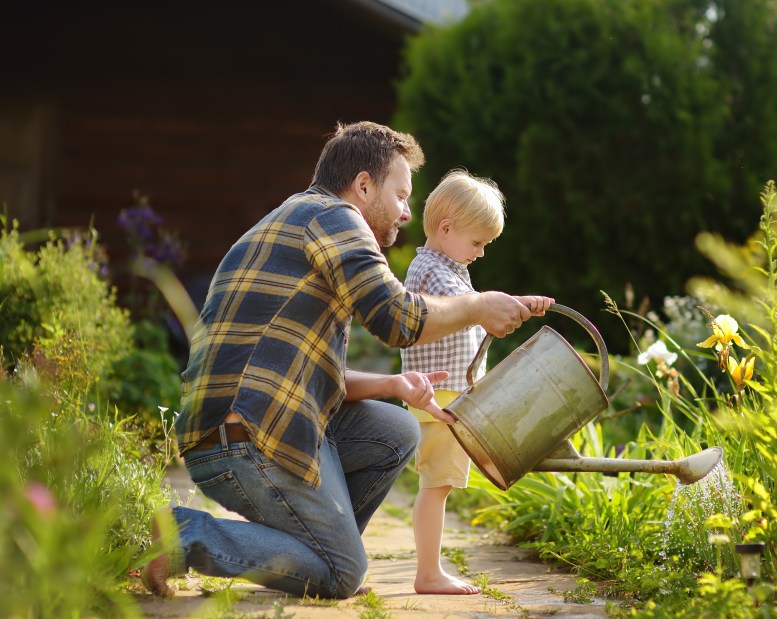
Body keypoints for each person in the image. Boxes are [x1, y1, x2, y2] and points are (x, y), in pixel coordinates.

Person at [141, 121, 553, 599]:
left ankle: (314, 554)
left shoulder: (294, 218)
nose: (405, 212)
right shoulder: (337, 218)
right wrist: (478, 307)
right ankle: (183, 534)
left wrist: (394, 386)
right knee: (342, 575)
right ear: (363, 185)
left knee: (397, 429)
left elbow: (309, 374)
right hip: (244, 440)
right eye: (400, 195)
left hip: (249, 426)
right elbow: (395, 318)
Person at [400, 170, 545, 595]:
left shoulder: (445, 267)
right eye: (477, 242)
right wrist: (507, 305)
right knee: (437, 486)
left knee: (439, 485)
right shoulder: (433, 272)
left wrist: (517, 306)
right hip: (440, 398)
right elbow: (471, 309)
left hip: (446, 395)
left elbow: (477, 314)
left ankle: (430, 569)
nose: (480, 253)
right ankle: (428, 574)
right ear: (446, 229)